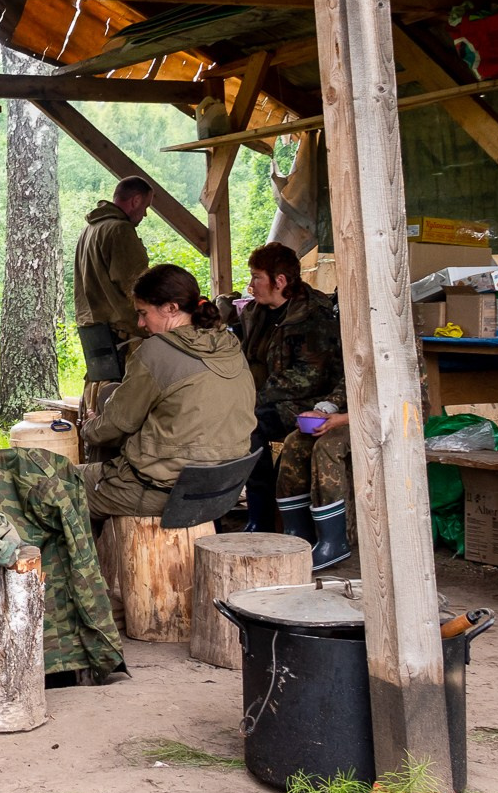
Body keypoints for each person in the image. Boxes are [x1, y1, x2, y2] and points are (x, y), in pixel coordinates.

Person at [78, 265, 254, 518]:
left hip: (163, 493)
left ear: (171, 308)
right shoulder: (229, 344)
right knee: (115, 396)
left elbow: (117, 423)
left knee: (50, 489)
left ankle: (91, 554)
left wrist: (88, 429)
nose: (140, 323)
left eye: (143, 313)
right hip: (222, 488)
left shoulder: (157, 352)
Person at [238, 242, 350, 569]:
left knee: (253, 425)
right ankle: (268, 519)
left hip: (309, 403)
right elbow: (248, 358)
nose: (251, 285)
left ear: (281, 281)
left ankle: (259, 516)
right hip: (268, 397)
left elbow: (310, 376)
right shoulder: (258, 313)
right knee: (239, 420)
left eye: (257, 277)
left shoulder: (312, 315)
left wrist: (254, 397)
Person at [74, 177, 155, 377]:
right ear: (135, 200)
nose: (144, 214)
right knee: (131, 397)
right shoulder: (120, 230)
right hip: (124, 335)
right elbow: (136, 286)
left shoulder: (90, 230)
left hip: (95, 331)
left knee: (101, 394)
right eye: (145, 206)